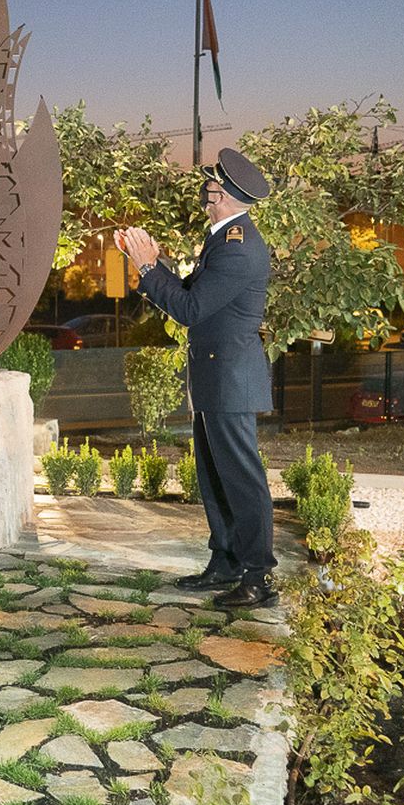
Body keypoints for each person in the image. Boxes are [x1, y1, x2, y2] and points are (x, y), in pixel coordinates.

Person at [117, 147, 276, 608]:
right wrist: (147, 263)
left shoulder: (239, 248)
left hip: (229, 378)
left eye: (212, 184)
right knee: (215, 476)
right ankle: (225, 561)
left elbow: (188, 309)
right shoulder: (223, 237)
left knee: (242, 479)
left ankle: (258, 577)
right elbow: (193, 292)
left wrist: (149, 268)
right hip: (215, 375)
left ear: (223, 194)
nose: (206, 189)